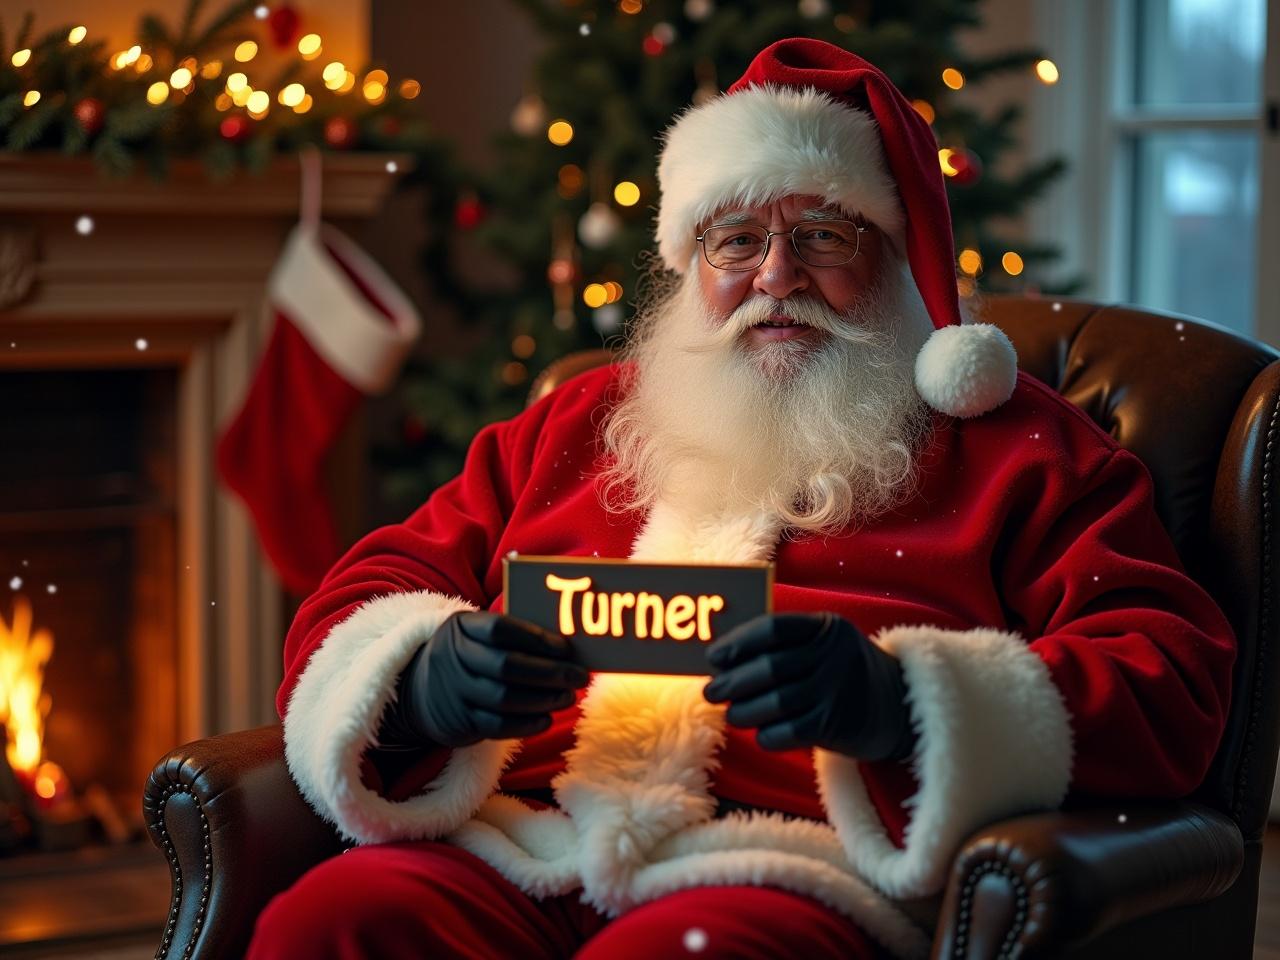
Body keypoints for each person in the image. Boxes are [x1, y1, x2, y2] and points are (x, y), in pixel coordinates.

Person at [247, 38, 1235, 960]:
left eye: (820, 234)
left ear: (892, 260)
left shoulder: (1021, 448)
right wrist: (419, 684)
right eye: (734, 239)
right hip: (521, 843)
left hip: (800, 867)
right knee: (332, 922)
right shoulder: (577, 424)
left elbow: (1169, 675)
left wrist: (908, 707)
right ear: (690, 265)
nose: (773, 275)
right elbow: (368, 586)